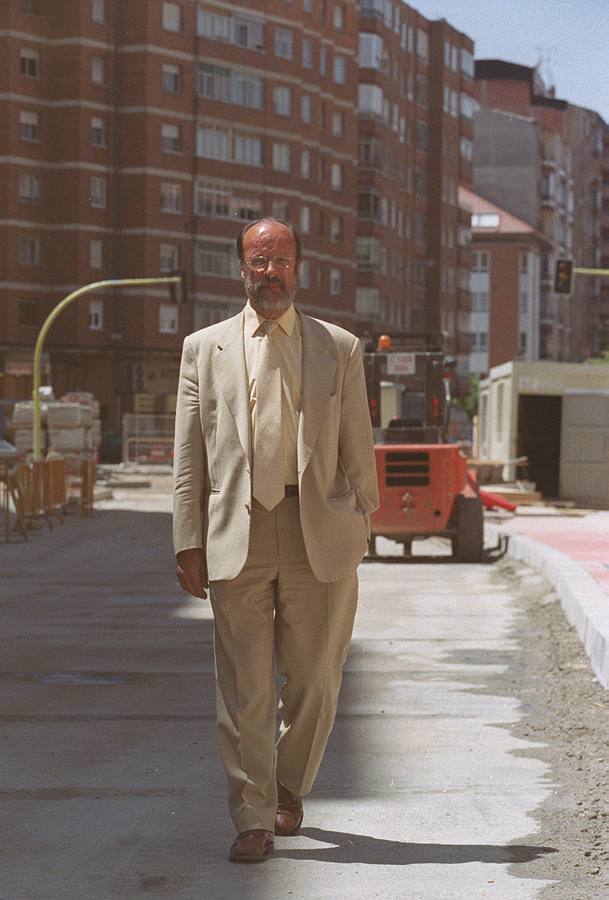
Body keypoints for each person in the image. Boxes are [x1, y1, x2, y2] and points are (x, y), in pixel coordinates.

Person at [172, 218, 379, 863]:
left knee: (317, 675)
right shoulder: (204, 349)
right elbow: (188, 457)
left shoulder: (337, 347)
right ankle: (253, 817)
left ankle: (289, 783)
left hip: (317, 531)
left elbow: (357, 449)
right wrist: (187, 540)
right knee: (245, 688)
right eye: (258, 262)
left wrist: (362, 521)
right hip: (237, 533)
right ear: (242, 269)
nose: (270, 272)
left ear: (298, 266)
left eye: (280, 260)